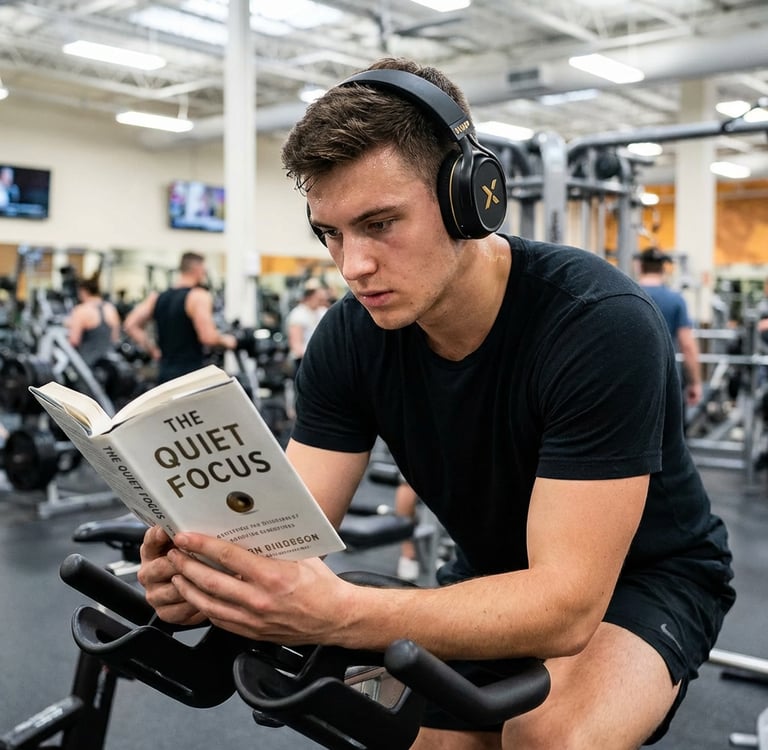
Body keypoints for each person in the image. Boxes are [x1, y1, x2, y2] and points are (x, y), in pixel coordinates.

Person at [137, 58, 735, 749]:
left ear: (469, 198)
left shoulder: (598, 323)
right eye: (330, 233)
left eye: (380, 223)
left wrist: (342, 612)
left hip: (643, 578)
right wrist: (202, 576)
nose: (352, 264)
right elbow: (282, 536)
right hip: (487, 571)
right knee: (405, 734)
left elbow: (567, 606)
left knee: (545, 738)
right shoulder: (350, 337)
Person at [123, 251, 237, 383]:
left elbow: (130, 324)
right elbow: (208, 337)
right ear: (198, 269)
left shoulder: (158, 297)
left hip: (165, 373)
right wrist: (228, 340)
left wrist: (153, 351)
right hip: (190, 376)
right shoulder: (198, 296)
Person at [635, 247, 703, 407]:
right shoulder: (675, 300)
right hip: (665, 379)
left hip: (630, 379)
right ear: (663, 268)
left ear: (640, 266)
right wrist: (695, 382)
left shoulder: (627, 294)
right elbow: (687, 346)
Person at [65, 274, 121, 367]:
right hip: (109, 366)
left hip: (87, 367)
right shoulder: (111, 309)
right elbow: (115, 338)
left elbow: (74, 341)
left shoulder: (81, 310)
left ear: (83, 292)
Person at [285, 280, 329, 372]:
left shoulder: (322, 311)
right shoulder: (298, 314)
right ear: (310, 297)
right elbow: (296, 345)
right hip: (304, 360)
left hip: (322, 359)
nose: (321, 301)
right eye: (318, 298)